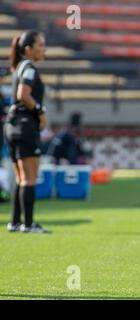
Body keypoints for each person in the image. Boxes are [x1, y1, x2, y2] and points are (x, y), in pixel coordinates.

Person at [4, 30, 51, 233]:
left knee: (20, 178)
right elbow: (24, 94)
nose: (44, 49)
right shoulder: (29, 68)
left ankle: (15, 222)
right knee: (29, 177)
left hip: (11, 125)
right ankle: (29, 224)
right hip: (25, 126)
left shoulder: (19, 68)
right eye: (40, 45)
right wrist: (40, 112)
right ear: (28, 49)